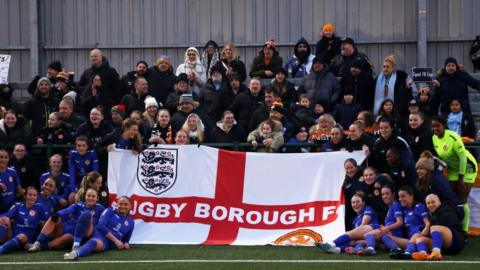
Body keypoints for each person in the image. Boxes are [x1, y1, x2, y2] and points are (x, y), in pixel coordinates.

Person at [431, 115, 477, 231]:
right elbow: (441, 157)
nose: (435, 128)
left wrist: (461, 178)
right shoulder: (434, 138)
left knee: (463, 198)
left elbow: (462, 158)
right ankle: (455, 225)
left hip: (467, 168)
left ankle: (464, 230)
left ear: (444, 126)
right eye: (433, 126)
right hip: (452, 169)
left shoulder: (453, 137)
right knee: (453, 198)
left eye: (438, 126)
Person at [27, 188, 104, 252]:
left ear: (97, 198)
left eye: (93, 196)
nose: (90, 198)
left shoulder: (100, 208)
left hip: (79, 235)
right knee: (54, 218)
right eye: (89, 196)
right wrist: (58, 214)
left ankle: (43, 247)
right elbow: (68, 210)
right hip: (65, 229)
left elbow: (106, 219)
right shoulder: (79, 205)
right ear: (85, 197)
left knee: (67, 237)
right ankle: (37, 243)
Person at [63, 196, 134, 260]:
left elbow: (126, 240)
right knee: (87, 216)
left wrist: (126, 244)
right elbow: (100, 226)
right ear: (117, 204)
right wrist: (116, 241)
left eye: (125, 204)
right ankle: (75, 249)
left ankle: (75, 253)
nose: (122, 206)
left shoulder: (131, 222)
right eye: (120, 204)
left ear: (130, 206)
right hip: (98, 234)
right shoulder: (110, 210)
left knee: (94, 243)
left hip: (107, 243)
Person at [411, 194, 467, 261]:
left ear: (439, 202)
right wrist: (425, 228)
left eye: (433, 202)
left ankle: (436, 252)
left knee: (434, 228)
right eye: (428, 203)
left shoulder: (446, 209)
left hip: (456, 242)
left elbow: (448, 225)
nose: (431, 205)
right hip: (443, 247)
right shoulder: (431, 214)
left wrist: (429, 227)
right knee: (419, 239)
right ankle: (423, 254)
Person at [358, 184, 404, 256]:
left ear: (393, 194)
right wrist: (384, 226)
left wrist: (386, 228)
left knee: (368, 234)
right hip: (390, 232)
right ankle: (396, 249)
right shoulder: (391, 206)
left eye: (387, 193)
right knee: (381, 237)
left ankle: (370, 248)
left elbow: (400, 222)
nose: (384, 196)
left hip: (395, 232)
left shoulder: (395, 205)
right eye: (383, 194)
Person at [387, 186, 430, 260]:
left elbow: (427, 222)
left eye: (403, 196)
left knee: (416, 235)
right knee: (386, 236)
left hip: (420, 234)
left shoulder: (419, 206)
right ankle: (419, 252)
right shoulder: (404, 210)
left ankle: (408, 253)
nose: (400, 199)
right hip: (410, 239)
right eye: (399, 197)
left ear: (411, 196)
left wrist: (426, 228)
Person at [0, 187, 46, 254]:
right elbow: (5, 216)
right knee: (5, 219)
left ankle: (1, 249)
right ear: (25, 196)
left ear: (37, 197)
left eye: (34, 195)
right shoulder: (17, 206)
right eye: (30, 195)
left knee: (22, 236)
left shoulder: (39, 208)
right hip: (11, 236)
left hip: (26, 240)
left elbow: (47, 221)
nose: (32, 197)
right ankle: (7, 244)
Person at [68, 135, 99, 202]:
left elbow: (95, 173)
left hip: (89, 181)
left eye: (83, 146)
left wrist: (92, 187)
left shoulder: (92, 153)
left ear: (87, 146)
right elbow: (72, 173)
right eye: (79, 146)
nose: (81, 148)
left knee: (90, 195)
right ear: (76, 146)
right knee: (73, 197)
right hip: (78, 181)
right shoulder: (72, 154)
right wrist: (73, 190)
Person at [342, 159, 365, 231]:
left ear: (356, 167)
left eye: (351, 167)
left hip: (365, 208)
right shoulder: (344, 182)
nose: (349, 170)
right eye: (347, 168)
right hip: (352, 210)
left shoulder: (364, 174)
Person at [0, 148, 24, 213]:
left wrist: (32, 194)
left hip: (11, 209)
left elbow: (19, 189)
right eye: (1, 157)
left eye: (6, 157)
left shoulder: (12, 172)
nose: (3, 160)